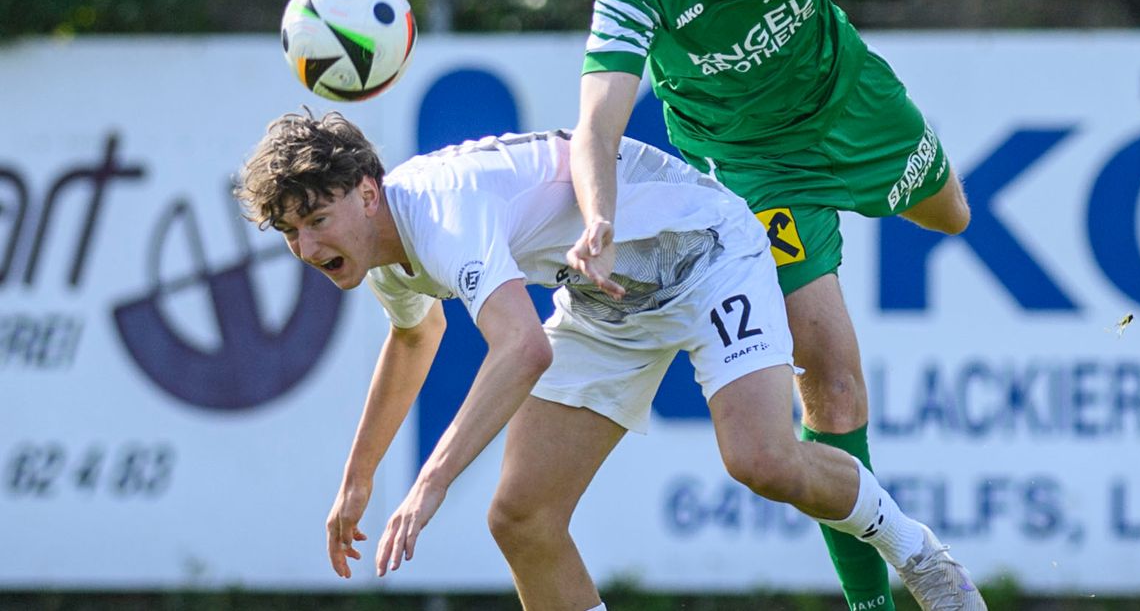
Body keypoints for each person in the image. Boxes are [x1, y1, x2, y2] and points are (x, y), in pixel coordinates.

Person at [235, 111, 982, 611]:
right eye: (290, 232)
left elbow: (521, 347)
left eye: (315, 221)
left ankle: (918, 553)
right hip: (604, 294)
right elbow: (414, 337)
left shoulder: (436, 211)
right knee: (522, 517)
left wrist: (429, 482)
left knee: (763, 461)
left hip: (705, 249)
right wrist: (360, 475)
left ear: (367, 193)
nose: (305, 248)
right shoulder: (383, 252)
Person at [567, 0, 975, 609]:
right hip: (754, 164)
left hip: (850, 100)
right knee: (833, 390)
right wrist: (599, 215)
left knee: (953, 217)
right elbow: (596, 121)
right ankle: (874, 604)